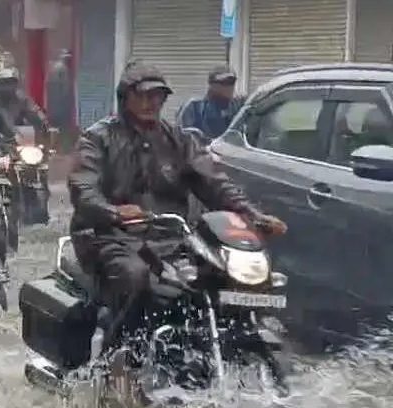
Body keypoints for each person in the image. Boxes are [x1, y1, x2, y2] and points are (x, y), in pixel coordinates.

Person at [68, 61, 287, 349]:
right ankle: (116, 360)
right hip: (110, 237)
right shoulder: (98, 138)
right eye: (142, 95)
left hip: (173, 237)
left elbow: (215, 182)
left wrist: (252, 215)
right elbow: (83, 188)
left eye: (156, 96)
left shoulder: (179, 139)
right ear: (126, 97)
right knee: (136, 278)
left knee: (225, 276)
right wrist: (114, 212)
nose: (150, 102)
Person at [177, 65, 246, 140]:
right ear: (211, 84)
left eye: (231, 82)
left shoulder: (238, 106)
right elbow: (181, 138)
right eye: (224, 82)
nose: (228, 87)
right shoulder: (194, 107)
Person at [0, 67, 50, 142]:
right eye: (3, 82)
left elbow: (34, 110)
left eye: (10, 82)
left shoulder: (20, 97)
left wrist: (44, 122)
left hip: (15, 140)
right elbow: (5, 117)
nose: (7, 86)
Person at [46, 50, 76, 150]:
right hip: (62, 107)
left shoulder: (52, 69)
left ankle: (52, 147)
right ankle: (63, 149)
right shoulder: (63, 69)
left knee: (53, 129)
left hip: (52, 107)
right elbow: (66, 89)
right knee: (64, 131)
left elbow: (48, 87)